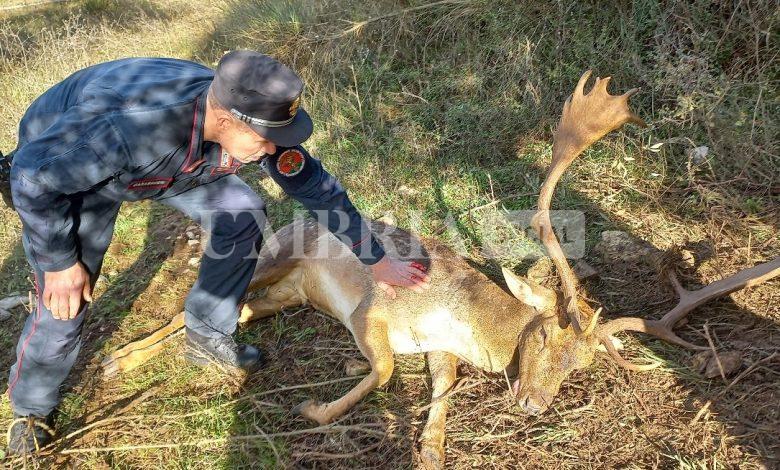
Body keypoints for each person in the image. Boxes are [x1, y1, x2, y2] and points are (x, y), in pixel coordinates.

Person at [3, 50, 430, 456]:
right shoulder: (121, 126)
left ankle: (207, 333)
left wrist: (376, 259)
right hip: (68, 174)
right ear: (223, 119)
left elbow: (316, 188)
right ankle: (31, 412)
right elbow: (33, 179)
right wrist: (59, 263)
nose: (272, 149)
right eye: (266, 140)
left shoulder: (256, 120)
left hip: (173, 163)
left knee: (242, 214)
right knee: (65, 301)